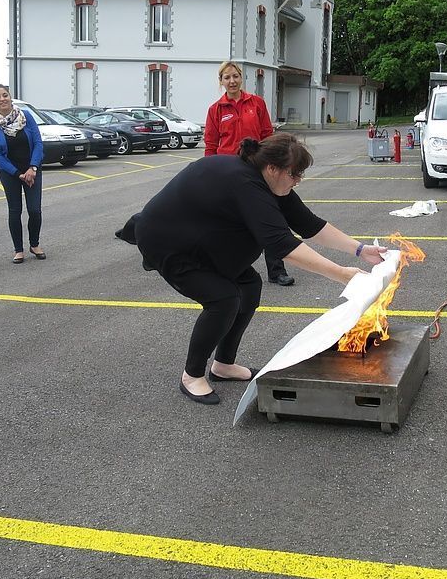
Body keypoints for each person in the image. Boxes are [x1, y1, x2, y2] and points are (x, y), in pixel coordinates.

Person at [121, 133, 387, 405]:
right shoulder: (245, 184)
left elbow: (309, 224)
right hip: (167, 242)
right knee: (223, 298)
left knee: (249, 286)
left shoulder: (271, 183)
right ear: (273, 168)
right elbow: (282, 244)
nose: (297, 181)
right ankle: (192, 375)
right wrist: (341, 274)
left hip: (204, 240)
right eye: (294, 175)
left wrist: (360, 249)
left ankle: (223, 365)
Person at [203, 61, 295, 287]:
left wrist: (275, 165)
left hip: (257, 169)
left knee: (271, 218)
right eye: (227, 78)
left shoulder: (256, 103)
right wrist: (208, 174)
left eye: (235, 76)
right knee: (232, 222)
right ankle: (232, 269)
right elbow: (211, 144)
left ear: (241, 78)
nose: (232, 81)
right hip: (228, 172)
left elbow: (267, 135)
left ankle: (277, 271)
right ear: (221, 82)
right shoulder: (216, 110)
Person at [0, 85, 46, 263]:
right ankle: (18, 250)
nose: (2, 99)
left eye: (5, 95)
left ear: (10, 97)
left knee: (34, 210)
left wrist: (32, 168)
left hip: (32, 170)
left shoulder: (25, 116)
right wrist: (17, 173)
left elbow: (38, 143)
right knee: (15, 211)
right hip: (10, 173)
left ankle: (34, 244)